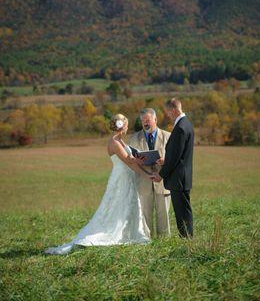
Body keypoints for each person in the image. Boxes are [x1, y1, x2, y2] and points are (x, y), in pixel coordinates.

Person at [45, 114, 150, 255]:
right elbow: (128, 160)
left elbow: (131, 161)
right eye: (126, 124)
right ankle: (109, 234)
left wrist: (146, 172)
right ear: (122, 126)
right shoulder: (114, 142)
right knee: (116, 205)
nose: (127, 127)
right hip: (120, 179)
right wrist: (143, 163)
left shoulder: (121, 141)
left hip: (128, 177)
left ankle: (130, 233)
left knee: (129, 204)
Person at [151, 99, 194, 238]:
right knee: (184, 210)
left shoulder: (180, 128)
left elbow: (175, 157)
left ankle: (186, 240)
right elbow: (178, 154)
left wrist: (161, 174)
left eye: (168, 112)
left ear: (174, 110)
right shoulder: (187, 124)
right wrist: (166, 160)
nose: (168, 115)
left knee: (182, 212)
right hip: (183, 176)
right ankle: (187, 239)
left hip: (178, 178)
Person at [128, 108, 171, 238]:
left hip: (163, 181)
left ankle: (164, 243)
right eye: (143, 121)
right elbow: (131, 161)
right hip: (143, 182)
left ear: (155, 120)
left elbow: (175, 159)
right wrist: (137, 161)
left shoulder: (168, 136)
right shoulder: (134, 138)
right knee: (145, 214)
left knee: (163, 214)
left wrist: (165, 161)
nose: (145, 123)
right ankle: (146, 241)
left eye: (148, 120)